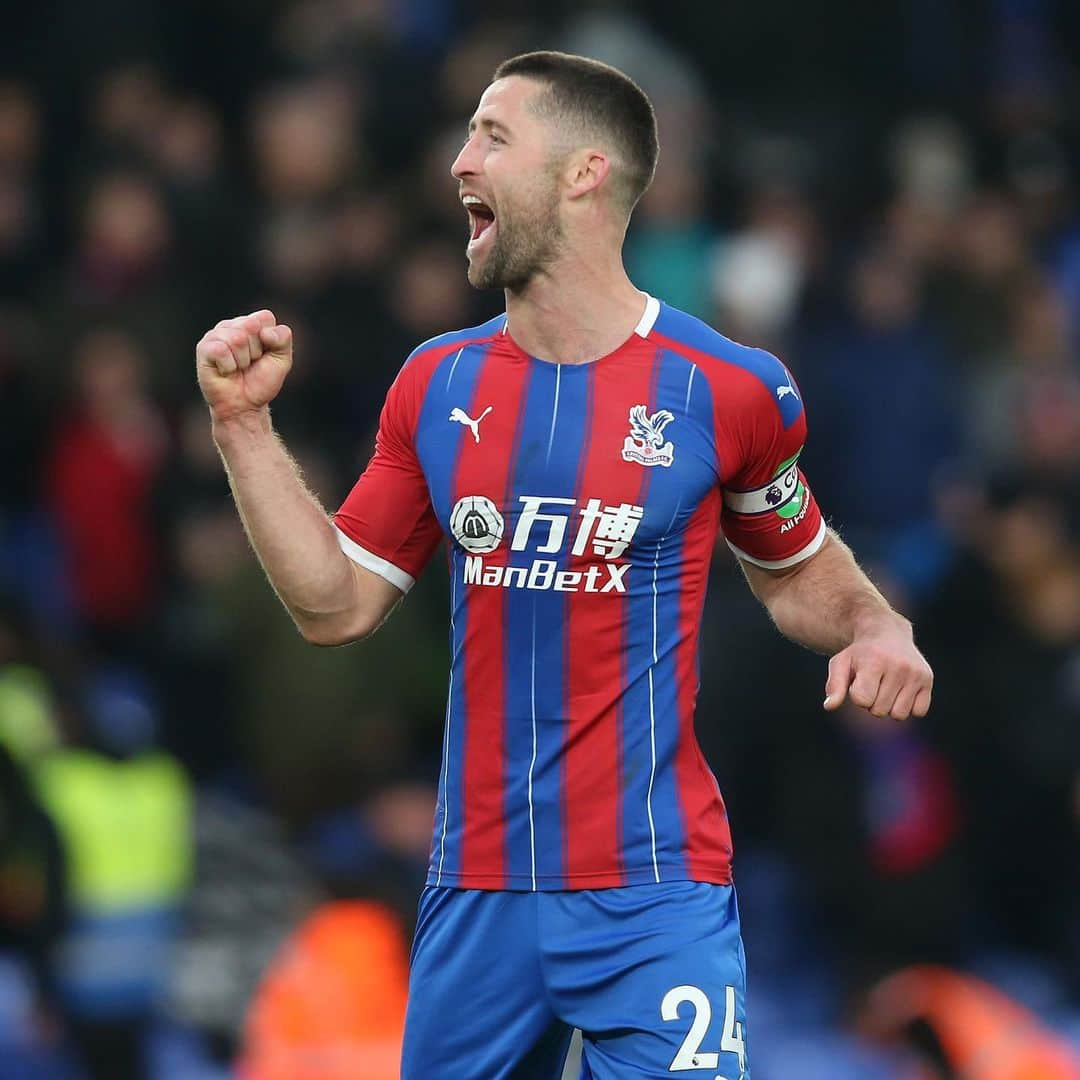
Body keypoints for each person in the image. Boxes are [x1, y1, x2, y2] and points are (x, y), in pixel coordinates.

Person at [195, 51, 933, 1080]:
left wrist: (874, 625)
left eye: (493, 136)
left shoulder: (729, 390)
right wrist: (242, 427)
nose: (459, 162)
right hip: (475, 897)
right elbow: (336, 602)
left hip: (653, 894)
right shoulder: (435, 385)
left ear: (584, 174)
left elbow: (797, 567)